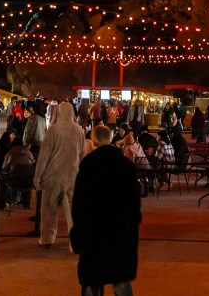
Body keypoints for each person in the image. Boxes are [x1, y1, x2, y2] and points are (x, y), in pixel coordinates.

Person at [71, 125, 141, 296]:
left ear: (93, 142)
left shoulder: (88, 166)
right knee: (121, 282)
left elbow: (79, 206)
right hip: (121, 232)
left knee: (92, 282)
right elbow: (134, 204)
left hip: (94, 233)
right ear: (111, 139)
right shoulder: (125, 166)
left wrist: (78, 236)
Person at [34, 99, 86, 249]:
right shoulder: (79, 131)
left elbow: (44, 156)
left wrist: (38, 176)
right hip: (72, 175)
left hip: (53, 175)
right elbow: (82, 155)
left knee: (49, 209)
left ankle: (47, 239)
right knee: (72, 209)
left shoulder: (53, 130)